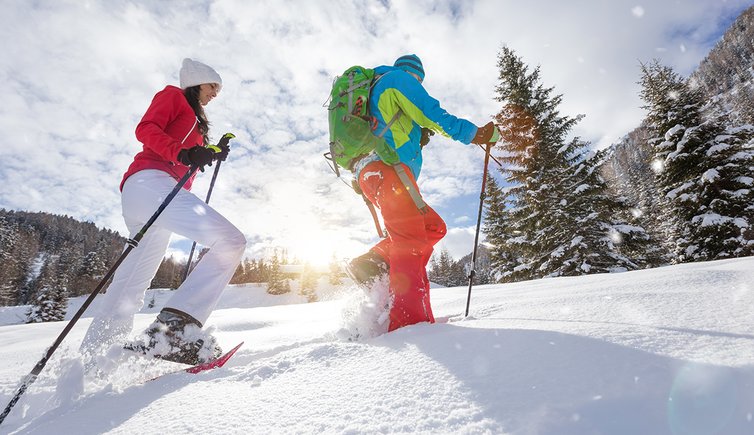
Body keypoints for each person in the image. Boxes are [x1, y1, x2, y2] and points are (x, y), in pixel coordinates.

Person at [79, 58, 247, 365]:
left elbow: (185, 154)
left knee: (132, 285)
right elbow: (146, 130)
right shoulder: (173, 96)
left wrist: (209, 152)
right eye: (213, 86)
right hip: (150, 183)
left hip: (150, 192)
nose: (215, 94)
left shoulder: (196, 122)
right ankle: (176, 329)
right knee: (231, 241)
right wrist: (184, 152)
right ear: (196, 82)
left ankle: (95, 362)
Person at [345, 54, 500, 333]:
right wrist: (475, 134)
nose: (419, 84)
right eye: (420, 80)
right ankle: (410, 323)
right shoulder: (398, 79)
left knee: (432, 227)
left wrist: (417, 135)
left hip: (378, 173)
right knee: (411, 242)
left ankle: (375, 261)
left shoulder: (378, 88)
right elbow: (432, 113)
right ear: (415, 75)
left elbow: (389, 129)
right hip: (388, 171)